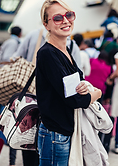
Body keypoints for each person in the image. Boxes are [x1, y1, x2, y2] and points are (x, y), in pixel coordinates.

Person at [36, 0, 102, 165]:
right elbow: (74, 99)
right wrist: (97, 93)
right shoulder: (48, 53)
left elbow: (76, 86)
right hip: (55, 135)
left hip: (64, 132)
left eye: (69, 15)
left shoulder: (65, 50)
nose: (65, 21)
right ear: (46, 24)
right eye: (58, 18)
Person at [12, 26, 81, 166]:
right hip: (56, 102)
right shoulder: (70, 45)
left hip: (32, 95)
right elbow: (79, 74)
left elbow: (16, 57)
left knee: (29, 135)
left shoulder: (33, 35)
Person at [0, 26, 22, 166]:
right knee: (9, 110)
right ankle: (6, 138)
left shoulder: (8, 41)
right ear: (19, 33)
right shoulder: (14, 43)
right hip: (9, 79)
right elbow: (8, 59)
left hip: (3, 77)